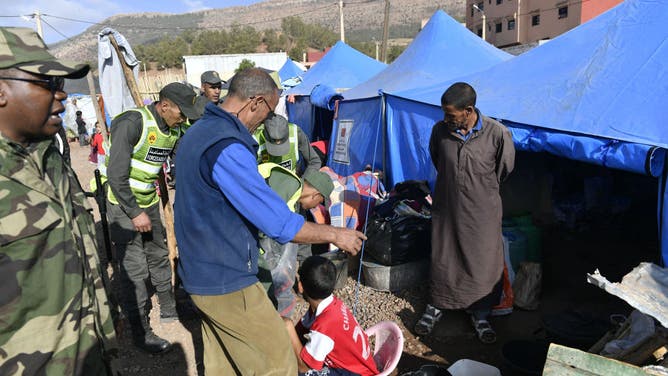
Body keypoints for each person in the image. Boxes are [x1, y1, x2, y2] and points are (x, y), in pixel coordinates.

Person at [174, 68, 366, 375]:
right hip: (227, 278)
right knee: (278, 362)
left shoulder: (197, 132)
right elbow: (280, 225)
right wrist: (337, 234)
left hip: (199, 272)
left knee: (223, 364)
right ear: (256, 102)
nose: (265, 122)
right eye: (266, 113)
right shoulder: (226, 146)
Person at [0, 27, 116, 374]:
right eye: (48, 84)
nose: (62, 96)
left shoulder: (49, 158)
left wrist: (106, 326)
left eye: (62, 86)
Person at [101, 82, 200, 354]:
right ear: (164, 105)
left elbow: (181, 155)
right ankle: (140, 332)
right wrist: (135, 213)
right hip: (122, 206)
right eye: (181, 112)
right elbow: (116, 176)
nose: (184, 118)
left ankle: (169, 309)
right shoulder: (132, 123)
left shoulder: (175, 126)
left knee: (158, 257)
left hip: (149, 201)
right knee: (135, 270)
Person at [414, 82, 515, 344]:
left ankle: (480, 314)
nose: (446, 119)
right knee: (444, 258)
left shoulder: (497, 134)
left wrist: (475, 188)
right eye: (445, 114)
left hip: (481, 214)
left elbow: (504, 170)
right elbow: (439, 161)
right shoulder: (440, 132)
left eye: (451, 115)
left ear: (469, 110)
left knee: (481, 263)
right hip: (447, 209)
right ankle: (436, 306)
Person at [258, 165, 335, 318]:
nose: (316, 207)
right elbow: (262, 227)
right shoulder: (286, 189)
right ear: (315, 195)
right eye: (319, 203)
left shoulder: (294, 197)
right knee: (265, 289)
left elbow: (300, 241)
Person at [283, 256, 379, 376]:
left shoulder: (325, 327)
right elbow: (302, 330)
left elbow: (305, 368)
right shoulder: (332, 304)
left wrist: (288, 328)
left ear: (300, 287)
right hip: (359, 365)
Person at [254, 113, 322, 177]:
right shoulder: (255, 140)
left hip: (292, 184)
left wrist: (304, 183)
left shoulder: (295, 132)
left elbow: (314, 160)